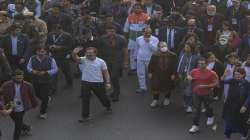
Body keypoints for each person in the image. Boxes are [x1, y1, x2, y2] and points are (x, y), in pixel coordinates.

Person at [72, 47, 112, 122]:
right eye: (87, 53)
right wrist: (74, 53)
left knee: (102, 97)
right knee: (85, 99)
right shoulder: (84, 59)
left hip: (98, 83)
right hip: (85, 82)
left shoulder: (101, 62)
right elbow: (76, 58)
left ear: (95, 53)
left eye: (90, 53)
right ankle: (85, 116)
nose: (88, 54)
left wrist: (108, 82)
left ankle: (108, 106)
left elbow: (106, 73)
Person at [1, 69, 37, 140]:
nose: (19, 79)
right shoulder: (6, 85)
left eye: (21, 78)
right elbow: (1, 94)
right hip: (10, 107)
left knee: (17, 124)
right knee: (17, 121)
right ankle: (27, 127)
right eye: (17, 78)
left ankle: (16, 137)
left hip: (21, 108)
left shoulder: (28, 85)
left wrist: (34, 104)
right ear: (13, 77)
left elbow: (32, 96)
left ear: (23, 77)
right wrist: (3, 104)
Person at [188, 57, 219, 133]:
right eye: (199, 63)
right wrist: (189, 78)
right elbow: (189, 76)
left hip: (207, 94)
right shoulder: (194, 71)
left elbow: (216, 83)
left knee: (208, 107)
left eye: (202, 63)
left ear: (206, 64)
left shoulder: (212, 73)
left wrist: (205, 86)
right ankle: (195, 125)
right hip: (196, 93)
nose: (200, 65)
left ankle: (210, 116)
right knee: (196, 109)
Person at [98, 25, 128, 102]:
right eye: (109, 31)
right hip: (105, 60)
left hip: (117, 61)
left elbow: (125, 51)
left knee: (115, 77)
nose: (111, 33)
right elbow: (99, 50)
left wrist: (125, 62)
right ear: (106, 31)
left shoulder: (121, 39)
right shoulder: (102, 39)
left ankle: (116, 94)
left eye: (113, 31)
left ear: (115, 31)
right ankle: (112, 91)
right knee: (106, 77)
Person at [27, 46, 58, 119]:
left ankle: (43, 112)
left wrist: (46, 72)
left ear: (45, 52)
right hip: (35, 80)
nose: (41, 53)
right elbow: (28, 67)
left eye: (43, 51)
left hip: (46, 81)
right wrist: (32, 71)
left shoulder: (51, 59)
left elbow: (55, 69)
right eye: (39, 51)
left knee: (44, 97)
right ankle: (47, 99)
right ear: (36, 52)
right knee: (36, 93)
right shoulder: (32, 58)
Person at [221, 68, 250, 140]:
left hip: (241, 106)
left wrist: (245, 106)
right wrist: (224, 75)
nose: (237, 76)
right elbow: (222, 81)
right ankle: (228, 134)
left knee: (242, 121)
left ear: (243, 75)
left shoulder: (247, 84)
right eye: (235, 74)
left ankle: (245, 133)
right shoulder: (232, 80)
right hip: (231, 105)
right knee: (229, 120)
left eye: (239, 75)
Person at [148, 42, 177, 107]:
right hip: (157, 74)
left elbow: (175, 66)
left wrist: (174, 74)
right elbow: (151, 64)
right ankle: (155, 100)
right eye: (161, 46)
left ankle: (167, 99)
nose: (163, 47)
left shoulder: (172, 55)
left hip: (168, 74)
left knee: (168, 86)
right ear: (158, 47)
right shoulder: (155, 55)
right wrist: (150, 72)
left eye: (164, 46)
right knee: (156, 87)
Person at [123, 3, 150, 75]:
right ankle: (133, 68)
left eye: (138, 8)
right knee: (132, 53)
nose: (137, 9)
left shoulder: (146, 16)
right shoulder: (130, 16)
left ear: (141, 9)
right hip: (132, 38)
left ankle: (144, 68)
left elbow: (149, 27)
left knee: (143, 52)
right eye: (136, 8)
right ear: (133, 9)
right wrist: (125, 38)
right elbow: (126, 28)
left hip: (142, 39)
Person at [135, 26, 159, 93]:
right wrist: (135, 57)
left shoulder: (155, 39)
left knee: (152, 74)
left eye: (149, 33)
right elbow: (136, 48)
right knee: (140, 73)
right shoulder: (138, 39)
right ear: (143, 33)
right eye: (146, 33)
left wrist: (150, 42)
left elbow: (156, 50)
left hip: (150, 59)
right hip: (140, 58)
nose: (147, 34)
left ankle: (154, 87)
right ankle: (143, 87)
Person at [177, 43, 199, 112]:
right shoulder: (181, 54)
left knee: (189, 91)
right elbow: (179, 64)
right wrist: (179, 73)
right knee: (183, 90)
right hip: (182, 75)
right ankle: (185, 102)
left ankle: (190, 105)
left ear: (191, 48)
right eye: (185, 47)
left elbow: (197, 67)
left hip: (190, 76)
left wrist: (194, 76)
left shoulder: (196, 57)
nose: (185, 48)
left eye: (187, 47)